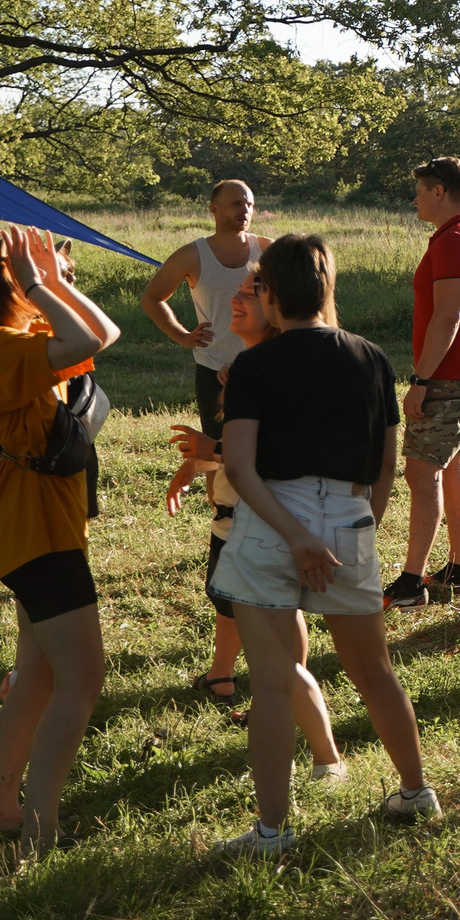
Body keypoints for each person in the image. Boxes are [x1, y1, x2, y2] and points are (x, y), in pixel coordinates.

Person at [208, 235, 436, 854]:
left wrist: (298, 537)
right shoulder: (370, 357)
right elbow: (388, 464)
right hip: (350, 518)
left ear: (272, 294)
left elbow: (242, 467)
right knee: (374, 671)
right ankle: (416, 791)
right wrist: (362, 526)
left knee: (274, 683)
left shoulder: (255, 366)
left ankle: (273, 830)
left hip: (271, 522)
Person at [0, 226, 121, 852]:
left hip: (38, 531)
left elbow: (104, 335)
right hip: (37, 537)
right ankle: (39, 832)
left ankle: (2, 813)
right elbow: (86, 338)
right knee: (82, 680)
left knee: (38, 676)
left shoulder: (15, 340)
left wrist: (53, 281)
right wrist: (40, 284)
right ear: (0, 283)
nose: (39, 273)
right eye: (20, 270)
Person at [162, 266, 347, 772]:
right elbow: (235, 448)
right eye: (239, 292)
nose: (236, 301)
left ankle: (325, 758)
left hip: (261, 527)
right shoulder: (245, 365)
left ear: (275, 308)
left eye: (250, 293)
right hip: (237, 523)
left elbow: (272, 455)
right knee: (267, 640)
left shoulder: (270, 370)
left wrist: (212, 449)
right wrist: (194, 463)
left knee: (281, 654)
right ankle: (284, 719)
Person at [385, 157, 460, 609]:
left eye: (421, 189)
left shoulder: (454, 241)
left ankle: (411, 583)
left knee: (420, 471)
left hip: (450, 375)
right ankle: (457, 569)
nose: (415, 199)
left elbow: (449, 317)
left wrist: (420, 380)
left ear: (440, 192)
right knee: (453, 466)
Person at [140, 179, 267, 485]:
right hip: (213, 367)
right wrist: (182, 335)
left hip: (262, 367)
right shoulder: (192, 255)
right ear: (214, 209)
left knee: (263, 451)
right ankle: (221, 522)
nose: (244, 210)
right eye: (236, 203)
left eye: (249, 204)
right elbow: (151, 299)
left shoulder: (267, 250)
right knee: (216, 455)